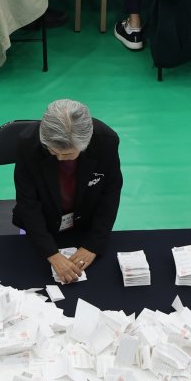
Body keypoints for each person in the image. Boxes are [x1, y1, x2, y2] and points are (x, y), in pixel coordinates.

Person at [13, 99, 122, 283]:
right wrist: (51, 253)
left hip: (85, 222)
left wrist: (92, 245)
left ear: (85, 143)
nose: (61, 159)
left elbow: (110, 195)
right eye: (54, 153)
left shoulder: (106, 142)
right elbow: (28, 203)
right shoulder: (27, 144)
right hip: (42, 225)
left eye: (69, 154)